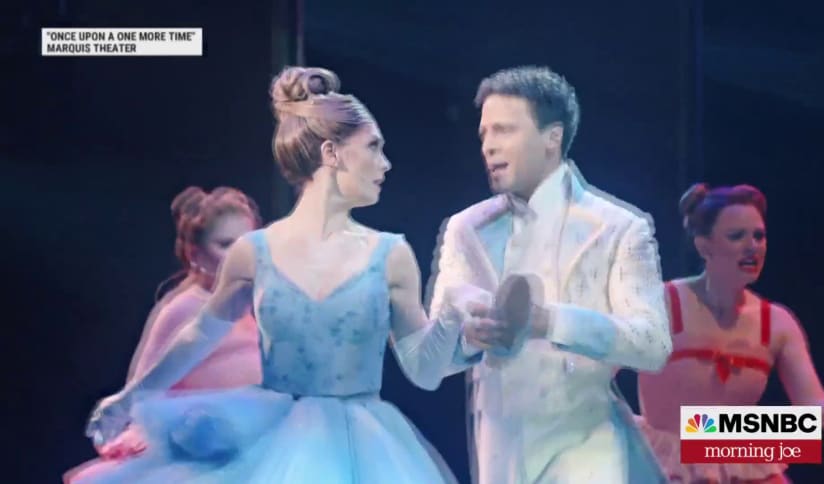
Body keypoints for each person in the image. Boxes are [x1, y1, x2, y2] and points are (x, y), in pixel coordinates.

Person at [80, 66, 515, 483]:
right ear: (331, 153)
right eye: (372, 147)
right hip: (271, 438)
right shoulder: (254, 252)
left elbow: (423, 370)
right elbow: (200, 334)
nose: (385, 164)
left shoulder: (390, 254)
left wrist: (455, 311)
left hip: (363, 444)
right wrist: (132, 396)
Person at [427, 65, 671, 484]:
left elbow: (652, 344)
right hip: (503, 447)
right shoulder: (467, 229)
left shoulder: (618, 228)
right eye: (484, 134)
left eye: (504, 130)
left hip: (588, 442)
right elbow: (436, 353)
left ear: (552, 138)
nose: (488, 145)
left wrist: (550, 321)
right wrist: (468, 335)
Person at [636, 183, 824, 483]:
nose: (752, 246)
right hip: (663, 468)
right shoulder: (661, 303)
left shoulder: (777, 323)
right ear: (704, 246)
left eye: (759, 236)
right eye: (736, 236)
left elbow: (811, 417)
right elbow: (595, 376)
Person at [64, 186, 263, 483]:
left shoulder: (256, 302)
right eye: (225, 244)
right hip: (203, 448)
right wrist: (132, 429)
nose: (239, 254)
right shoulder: (184, 309)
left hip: (259, 437)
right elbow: (144, 384)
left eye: (247, 242)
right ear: (195, 254)